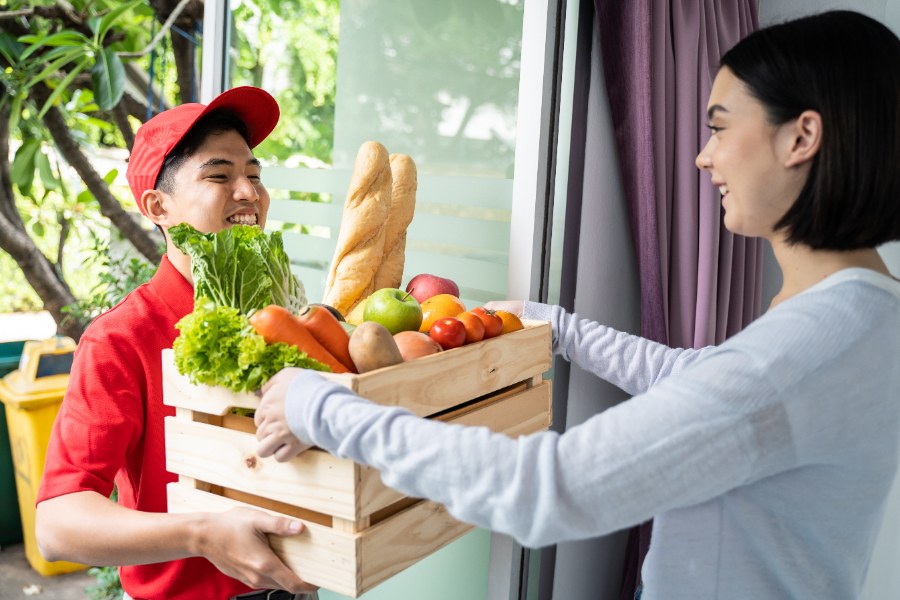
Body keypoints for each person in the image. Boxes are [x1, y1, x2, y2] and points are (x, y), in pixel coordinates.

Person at [253, 11, 900, 600]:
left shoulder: (804, 349)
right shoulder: (868, 315)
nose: (705, 157)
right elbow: (704, 381)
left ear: (801, 137)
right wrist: (558, 326)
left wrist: (323, 408)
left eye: (721, 127)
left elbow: (550, 490)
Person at [35, 87, 317, 600]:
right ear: (158, 206)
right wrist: (201, 535)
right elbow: (58, 525)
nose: (249, 192)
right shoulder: (120, 338)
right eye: (219, 176)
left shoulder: (286, 318)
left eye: (254, 175)